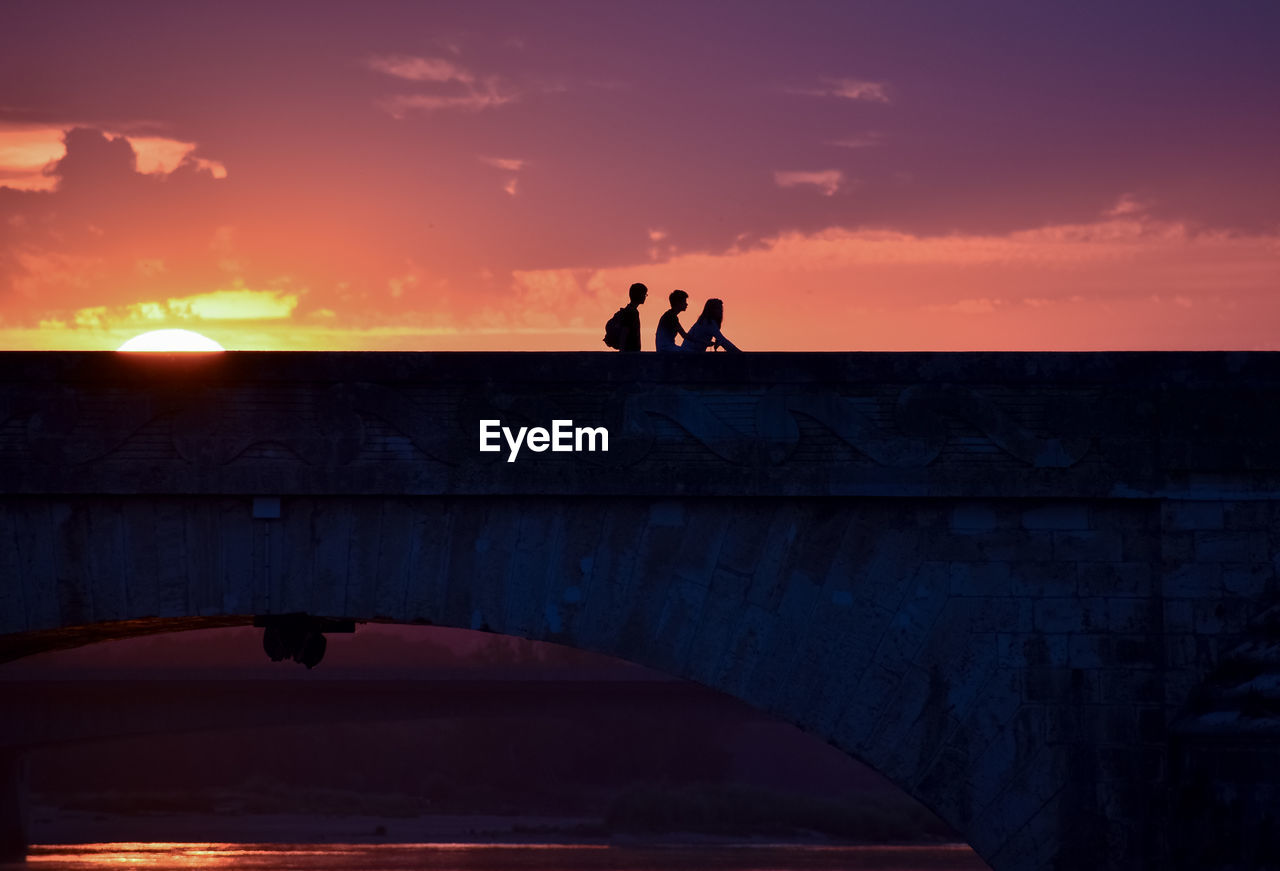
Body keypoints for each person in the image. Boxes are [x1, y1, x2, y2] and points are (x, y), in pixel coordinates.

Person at [619, 282, 647, 351]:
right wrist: (622, 352)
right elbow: (625, 331)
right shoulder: (632, 312)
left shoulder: (629, 310)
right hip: (630, 352)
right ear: (639, 295)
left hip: (630, 352)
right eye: (644, 294)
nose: (645, 296)